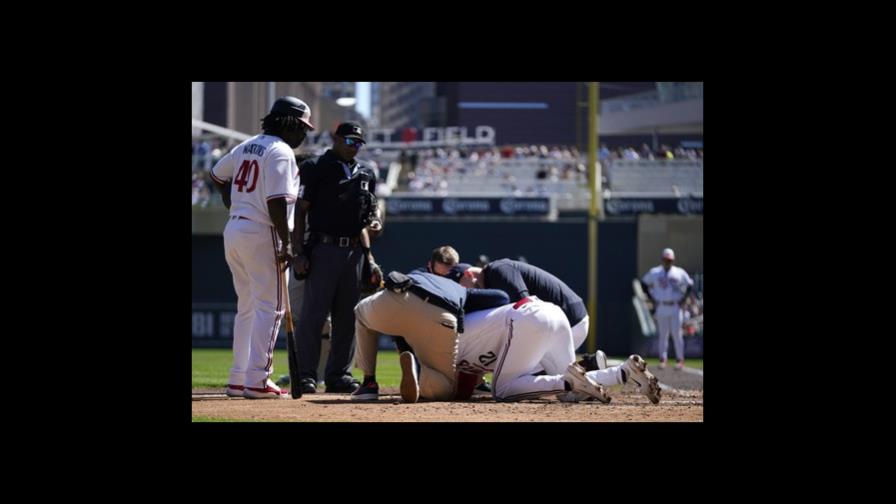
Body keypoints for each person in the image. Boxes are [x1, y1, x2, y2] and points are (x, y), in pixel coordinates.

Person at [209, 96, 313, 399]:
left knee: (248, 307)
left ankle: (238, 378)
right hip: (262, 230)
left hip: (236, 229)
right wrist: (286, 242)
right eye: (302, 127)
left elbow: (217, 175)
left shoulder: (247, 144)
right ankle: (257, 379)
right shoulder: (280, 151)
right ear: (290, 123)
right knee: (272, 307)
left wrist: (233, 202)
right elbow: (277, 202)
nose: (304, 133)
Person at [400, 296, 661, 404]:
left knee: (501, 391)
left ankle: (567, 381)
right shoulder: (449, 332)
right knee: (569, 396)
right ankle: (624, 373)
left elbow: (464, 388)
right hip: (551, 314)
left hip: (526, 319)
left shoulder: (446, 347)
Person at [291, 122, 382, 395]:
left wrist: (370, 257)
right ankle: (306, 374)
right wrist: (298, 252)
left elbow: (365, 220)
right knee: (313, 316)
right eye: (349, 140)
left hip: (355, 251)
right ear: (336, 139)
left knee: (348, 317)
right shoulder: (315, 167)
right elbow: (300, 210)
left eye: (358, 142)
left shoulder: (367, 172)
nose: (354, 146)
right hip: (324, 248)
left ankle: (339, 374)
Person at [350, 270, 509, 402]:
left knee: (360, 313)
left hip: (396, 298)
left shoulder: (419, 274)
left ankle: (368, 384)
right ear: (461, 279)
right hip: (438, 314)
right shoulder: (460, 289)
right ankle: (421, 375)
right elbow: (501, 297)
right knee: (444, 389)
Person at [452, 257, 594, 360]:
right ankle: (590, 368)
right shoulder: (492, 279)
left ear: (468, 274)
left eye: (459, 286)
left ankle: (594, 373)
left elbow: (527, 307)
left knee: (516, 379)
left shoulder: (497, 270)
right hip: (563, 322)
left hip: (571, 320)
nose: (463, 292)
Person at [640, 248, 694, 370]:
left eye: (669, 260)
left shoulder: (679, 272)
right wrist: (651, 298)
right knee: (663, 335)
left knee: (677, 334)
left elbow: (690, 284)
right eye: (665, 260)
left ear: (673, 260)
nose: (667, 262)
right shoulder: (655, 272)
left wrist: (683, 299)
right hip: (661, 305)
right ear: (662, 259)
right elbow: (643, 283)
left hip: (675, 306)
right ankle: (663, 359)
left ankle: (680, 359)